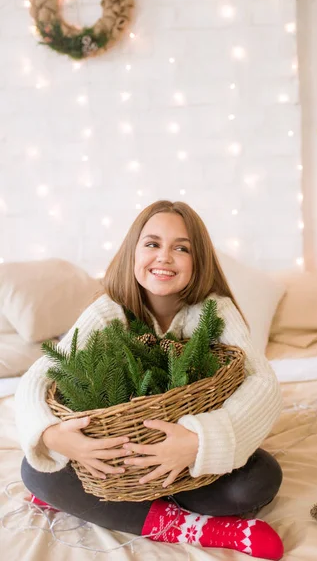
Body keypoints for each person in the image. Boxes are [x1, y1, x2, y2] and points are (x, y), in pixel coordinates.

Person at [15, 200, 284, 560]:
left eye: (182, 248)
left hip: (188, 469)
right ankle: (190, 526)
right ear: (133, 253)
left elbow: (263, 384)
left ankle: (103, 505)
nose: (165, 257)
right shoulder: (109, 312)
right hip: (118, 465)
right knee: (37, 471)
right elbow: (38, 376)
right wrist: (52, 435)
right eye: (153, 244)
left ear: (198, 260)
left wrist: (197, 440)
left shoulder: (213, 311)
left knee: (259, 480)